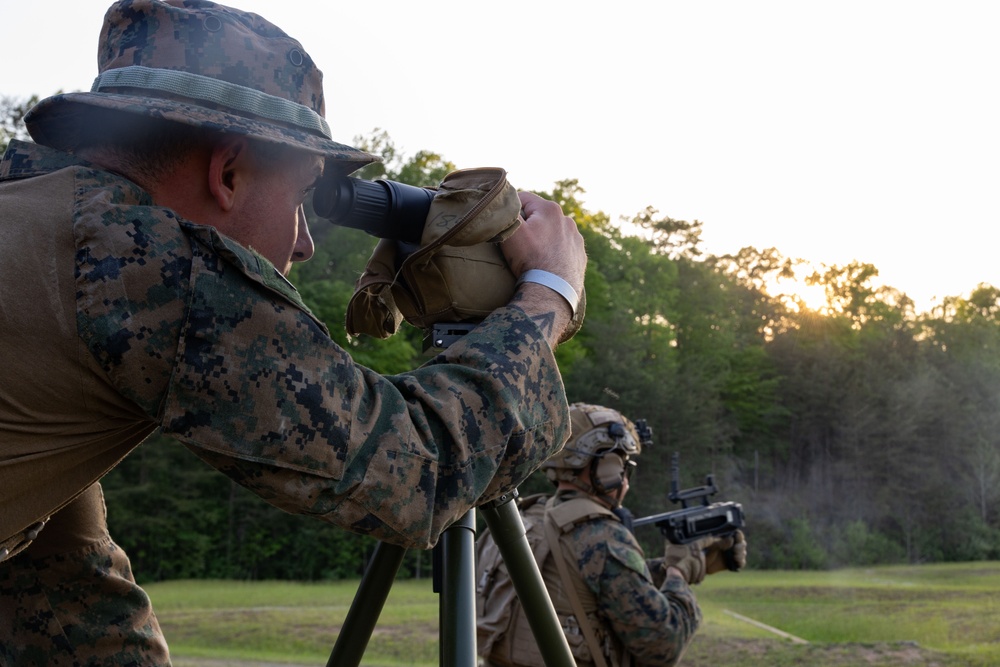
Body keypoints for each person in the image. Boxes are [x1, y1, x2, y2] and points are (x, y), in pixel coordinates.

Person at [0, 0, 587, 664]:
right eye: (302, 194)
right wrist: (550, 294)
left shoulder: (40, 225)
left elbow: (67, 593)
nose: (305, 243)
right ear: (228, 172)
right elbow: (416, 474)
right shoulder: (143, 263)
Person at [475, 403, 748, 667]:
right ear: (605, 466)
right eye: (621, 465)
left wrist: (666, 568)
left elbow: (590, 584)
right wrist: (678, 573)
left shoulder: (522, 519)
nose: (625, 480)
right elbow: (663, 644)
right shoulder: (599, 535)